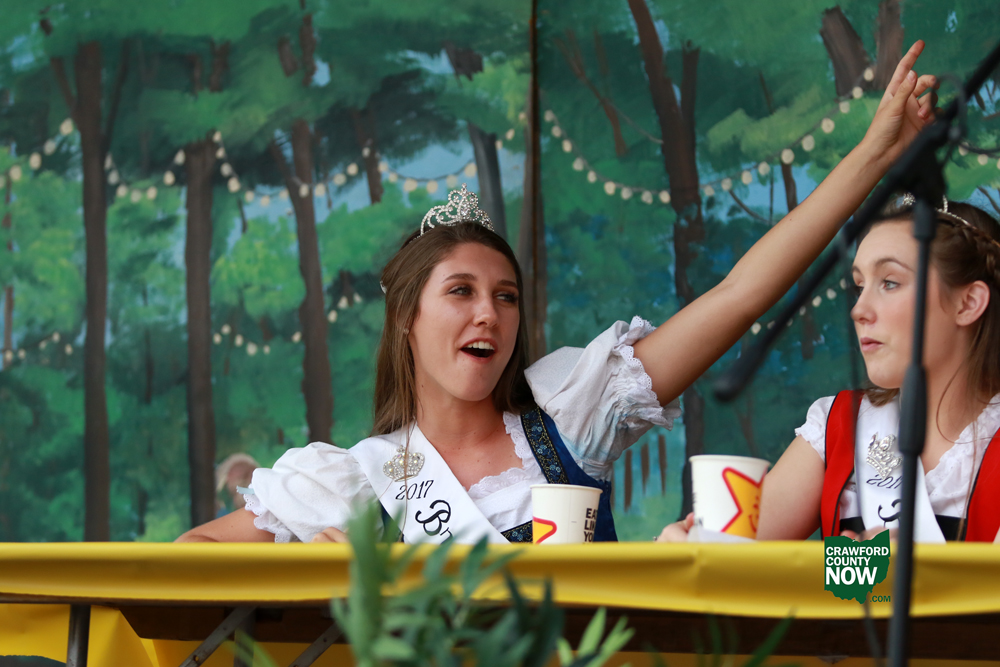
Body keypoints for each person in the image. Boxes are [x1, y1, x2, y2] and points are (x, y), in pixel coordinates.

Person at [177, 41, 937, 545]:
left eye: (507, 296)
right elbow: (190, 556)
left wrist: (873, 156)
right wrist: (308, 570)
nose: (489, 313)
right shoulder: (357, 481)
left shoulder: (569, 412)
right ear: (407, 318)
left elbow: (739, 296)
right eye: (462, 291)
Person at [751, 196, 1000, 544]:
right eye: (859, 286)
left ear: (968, 303)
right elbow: (728, 559)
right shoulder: (838, 426)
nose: (859, 310)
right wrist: (687, 546)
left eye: (890, 282)